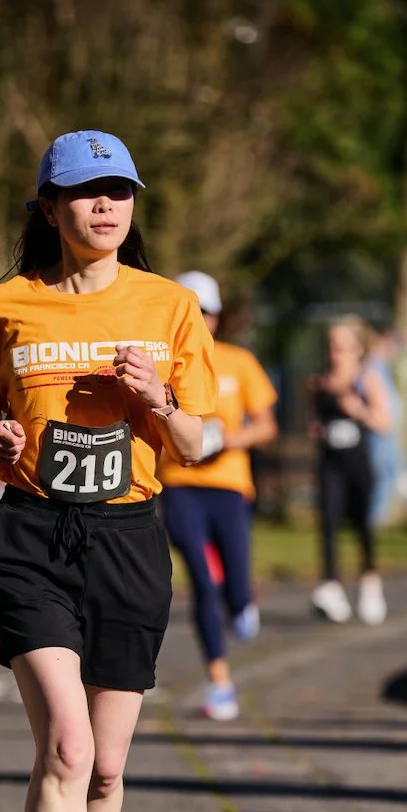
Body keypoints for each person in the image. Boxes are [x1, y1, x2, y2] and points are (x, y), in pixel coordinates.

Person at [0, 130, 216, 812]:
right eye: (84, 192)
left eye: (119, 191)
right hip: (31, 536)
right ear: (48, 207)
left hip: (129, 538)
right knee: (66, 745)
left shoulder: (170, 305)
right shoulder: (7, 305)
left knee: (105, 768)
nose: (105, 206)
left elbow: (197, 442)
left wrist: (157, 400)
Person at [158, 271, 278, 721]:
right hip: (180, 483)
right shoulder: (161, 363)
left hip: (229, 486)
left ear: (216, 316)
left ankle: (243, 602)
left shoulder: (238, 361)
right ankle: (220, 682)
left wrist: (228, 440)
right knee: (202, 583)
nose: (198, 319)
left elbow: (266, 426)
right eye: (188, 311)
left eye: (205, 311)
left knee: (235, 586)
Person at [307, 317, 392, 625]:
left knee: (362, 525)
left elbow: (384, 422)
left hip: (358, 464)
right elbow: (313, 420)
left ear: (357, 349)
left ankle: (370, 582)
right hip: (330, 464)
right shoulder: (320, 382)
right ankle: (331, 586)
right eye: (332, 347)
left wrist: (359, 410)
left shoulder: (366, 379)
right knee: (328, 524)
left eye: (342, 348)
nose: (336, 354)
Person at [364, 327, 404, 525]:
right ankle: (371, 521)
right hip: (378, 434)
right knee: (380, 477)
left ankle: (376, 520)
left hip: (387, 434)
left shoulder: (382, 368)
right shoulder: (371, 368)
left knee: (391, 474)